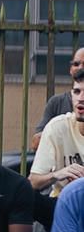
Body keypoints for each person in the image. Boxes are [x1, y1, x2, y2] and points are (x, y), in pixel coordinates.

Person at [31, 71, 84, 199]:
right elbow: (33, 181)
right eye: (76, 92)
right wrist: (57, 174)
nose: (81, 98)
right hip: (62, 204)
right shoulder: (58, 126)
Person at [32, 49, 84, 152]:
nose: (80, 68)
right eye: (76, 64)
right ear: (70, 69)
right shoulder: (56, 103)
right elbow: (36, 143)